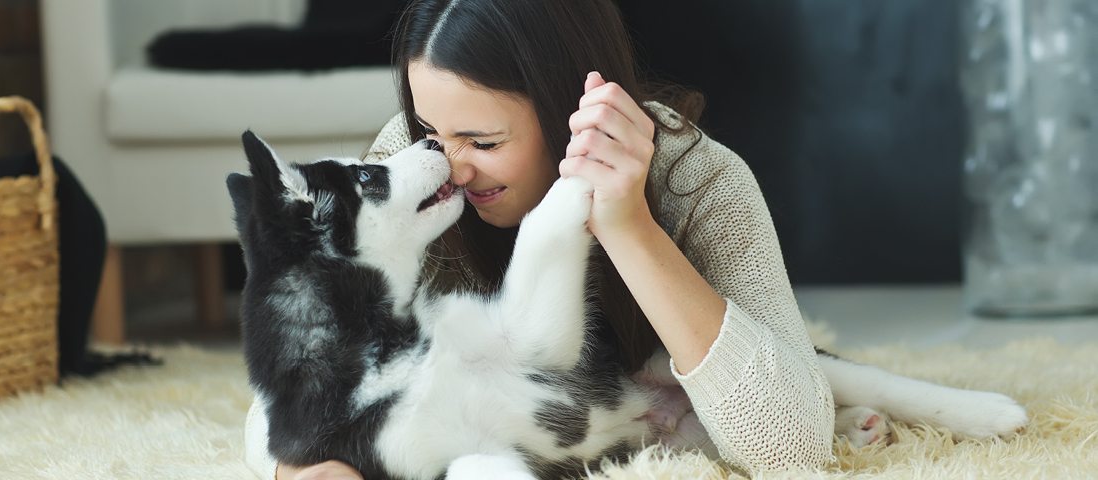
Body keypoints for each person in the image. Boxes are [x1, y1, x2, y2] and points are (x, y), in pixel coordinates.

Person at [245, 0, 835, 478]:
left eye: (484, 142)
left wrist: (627, 225)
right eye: (428, 128)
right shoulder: (414, 165)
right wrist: (303, 471)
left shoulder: (698, 180)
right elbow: (295, 386)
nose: (447, 164)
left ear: (567, 111)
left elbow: (794, 449)